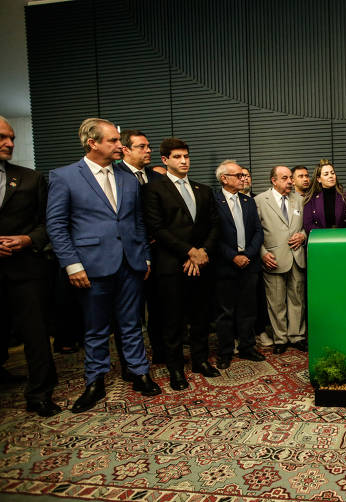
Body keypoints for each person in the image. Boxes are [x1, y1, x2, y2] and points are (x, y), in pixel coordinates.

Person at [47, 118, 160, 413]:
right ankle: (95, 380)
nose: (119, 145)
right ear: (92, 143)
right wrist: (72, 265)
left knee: (132, 323)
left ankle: (139, 372)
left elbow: (136, 221)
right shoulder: (65, 176)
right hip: (91, 266)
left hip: (131, 262)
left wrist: (145, 256)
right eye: (112, 140)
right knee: (96, 328)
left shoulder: (127, 177)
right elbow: (57, 225)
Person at [142, 137, 221, 391]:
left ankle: (199, 360)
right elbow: (157, 228)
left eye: (186, 156)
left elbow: (214, 225)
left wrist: (203, 251)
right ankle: (176, 368)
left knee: (200, 317)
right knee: (172, 320)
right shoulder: (153, 190)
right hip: (171, 265)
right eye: (177, 157)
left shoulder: (203, 190)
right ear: (165, 160)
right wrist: (189, 252)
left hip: (202, 263)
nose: (184, 161)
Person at [0, 116, 60, 416]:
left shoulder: (30, 178)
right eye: (2, 137)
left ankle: (40, 392)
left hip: (25, 269)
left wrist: (27, 239)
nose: (10, 143)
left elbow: (50, 223)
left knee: (35, 334)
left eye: (11, 137)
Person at [115, 129, 165, 367]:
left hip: (159, 253)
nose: (148, 150)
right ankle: (130, 363)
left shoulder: (156, 178)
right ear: (125, 149)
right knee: (129, 314)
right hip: (127, 254)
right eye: (142, 146)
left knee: (158, 307)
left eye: (149, 146)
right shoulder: (115, 175)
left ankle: (161, 352)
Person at [212, 160, 265, 368]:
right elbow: (214, 236)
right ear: (224, 179)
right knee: (225, 312)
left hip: (249, 264)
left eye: (243, 175)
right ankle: (225, 352)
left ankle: (247, 347)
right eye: (238, 175)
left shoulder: (248, 201)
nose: (243, 178)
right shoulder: (214, 202)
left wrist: (248, 254)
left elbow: (258, 232)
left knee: (248, 309)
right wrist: (233, 256)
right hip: (226, 265)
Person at [255, 166, 307, 354]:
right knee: (276, 302)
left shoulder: (300, 200)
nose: (290, 182)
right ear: (273, 180)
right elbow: (255, 231)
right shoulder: (260, 201)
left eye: (290, 178)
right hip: (273, 259)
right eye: (285, 178)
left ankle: (297, 336)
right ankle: (281, 338)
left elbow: (307, 227)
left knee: (297, 299)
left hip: (297, 256)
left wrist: (302, 236)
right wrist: (262, 253)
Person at [303, 160, 346, 233]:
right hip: (320, 240)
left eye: (332, 173)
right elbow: (308, 225)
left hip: (343, 238)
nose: (331, 176)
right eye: (326, 174)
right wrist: (326, 235)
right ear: (319, 179)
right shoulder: (311, 199)